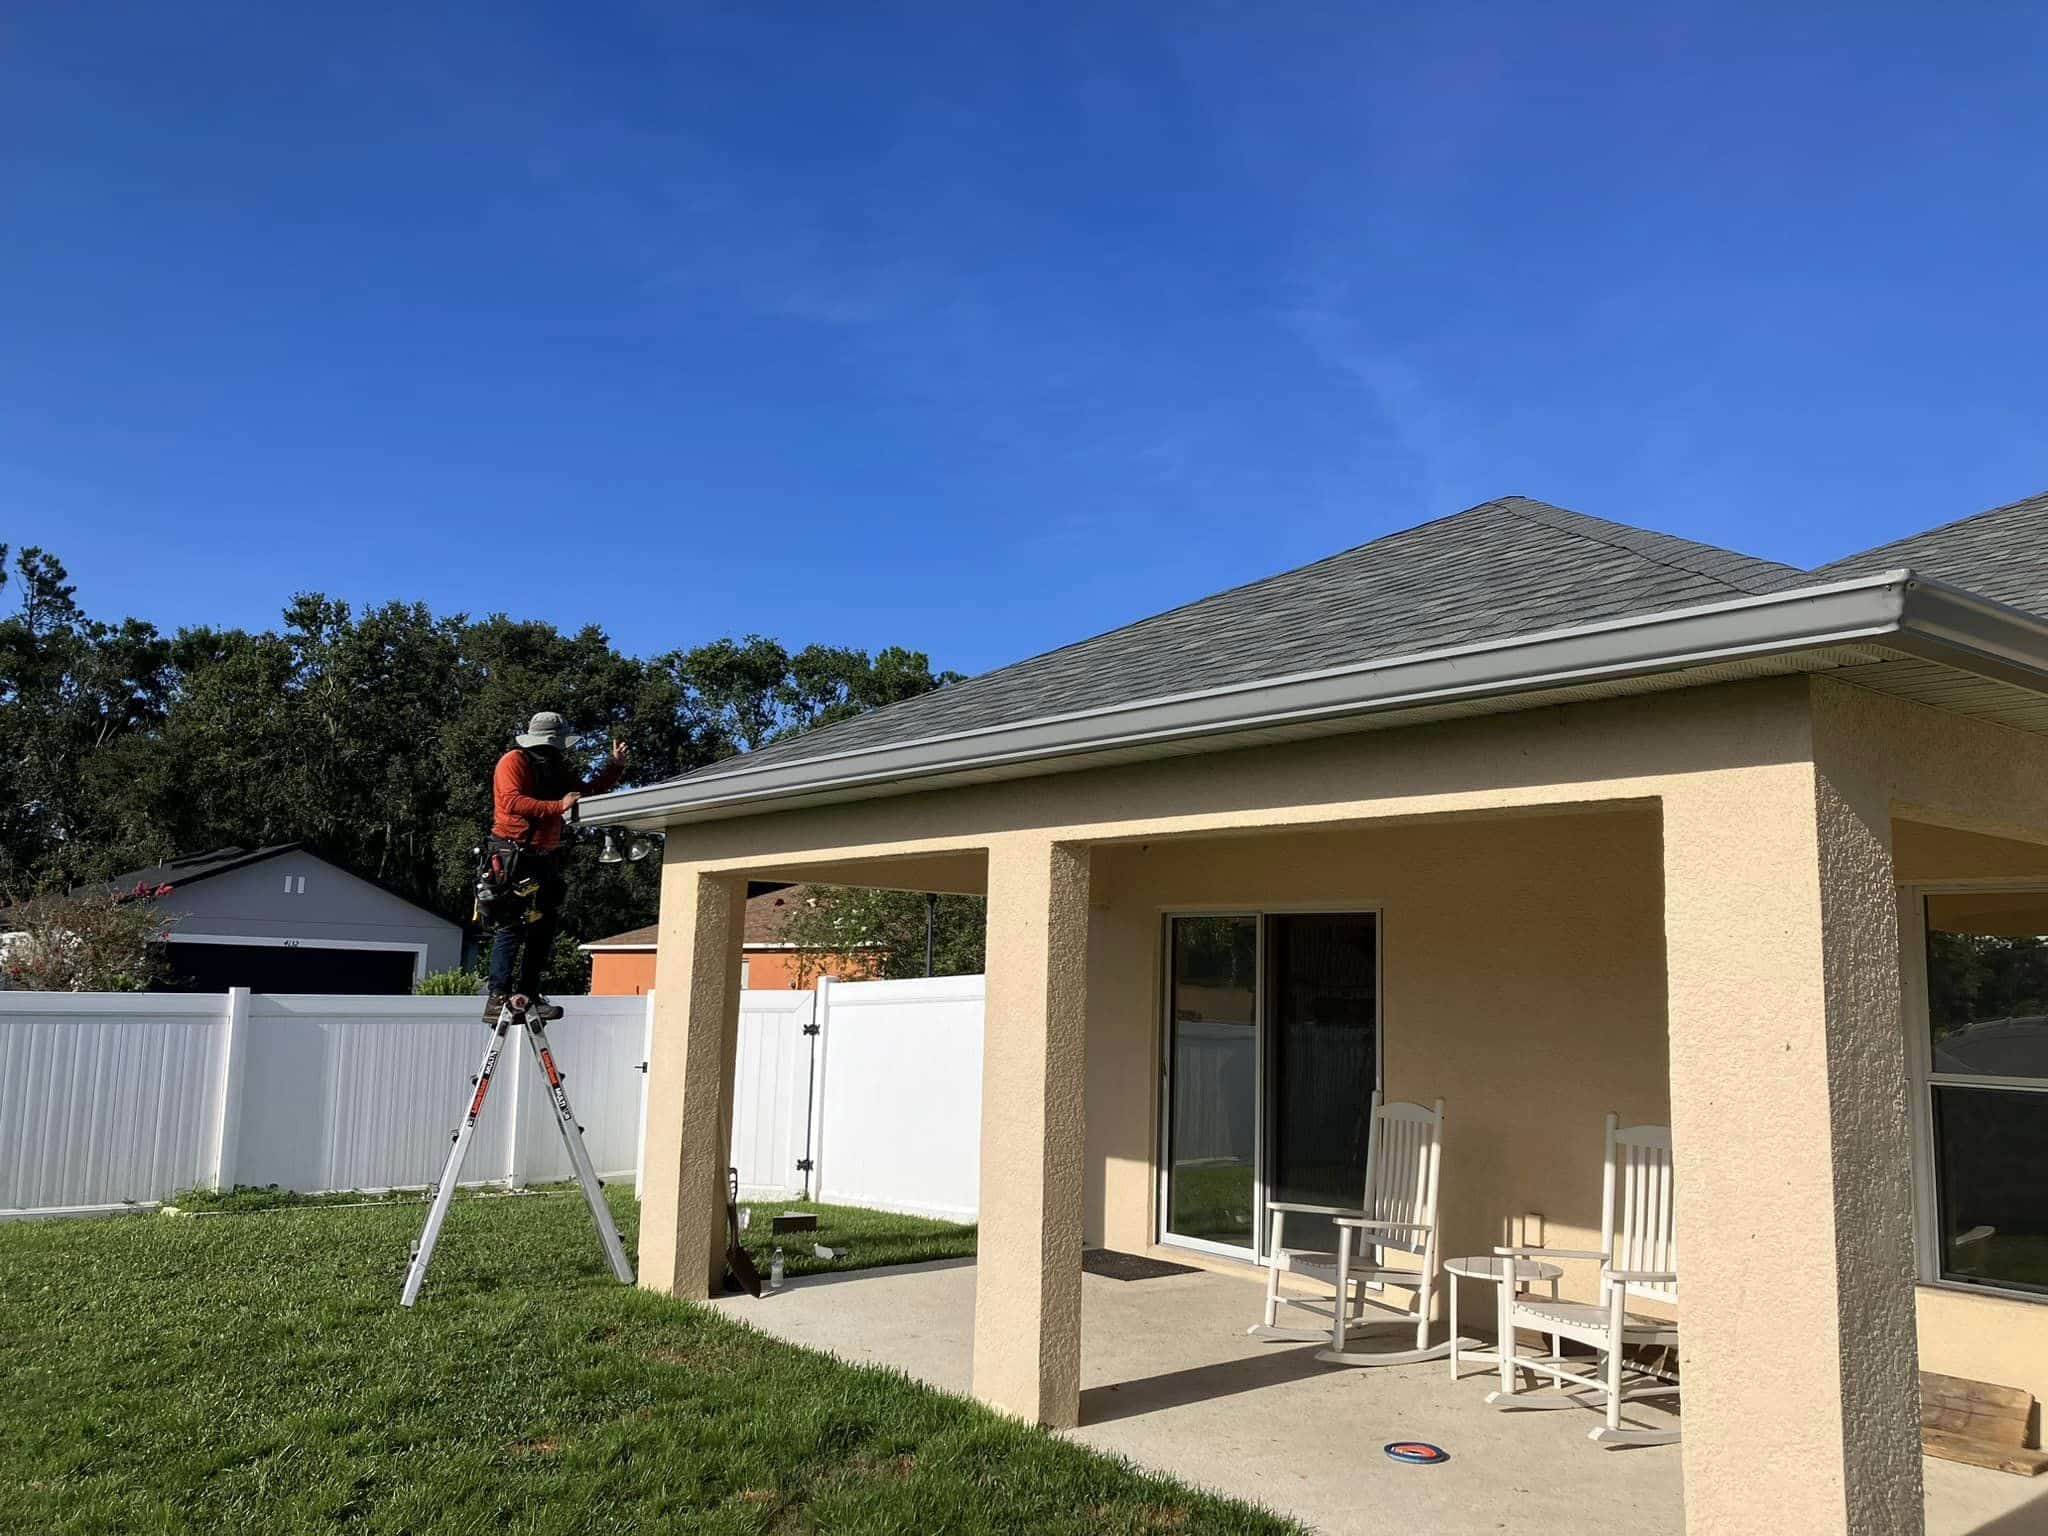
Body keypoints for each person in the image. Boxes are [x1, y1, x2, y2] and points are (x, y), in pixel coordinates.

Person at [480, 712, 627, 1023]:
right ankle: (498, 997)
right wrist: (557, 806)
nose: (557, 750)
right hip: (512, 853)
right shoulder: (513, 761)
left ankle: (528, 993)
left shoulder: (557, 767)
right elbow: (511, 802)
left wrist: (613, 769)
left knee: (543, 927)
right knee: (511, 925)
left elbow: (583, 793)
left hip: (543, 856)